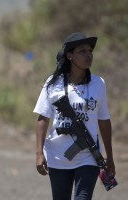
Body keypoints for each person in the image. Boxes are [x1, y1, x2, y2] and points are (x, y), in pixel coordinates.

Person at [33, 32, 116, 200]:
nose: (88, 55)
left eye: (90, 51)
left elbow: (104, 119)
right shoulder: (53, 83)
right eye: (82, 51)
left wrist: (110, 156)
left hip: (89, 156)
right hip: (57, 157)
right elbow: (43, 119)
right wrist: (39, 153)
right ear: (69, 55)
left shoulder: (98, 83)